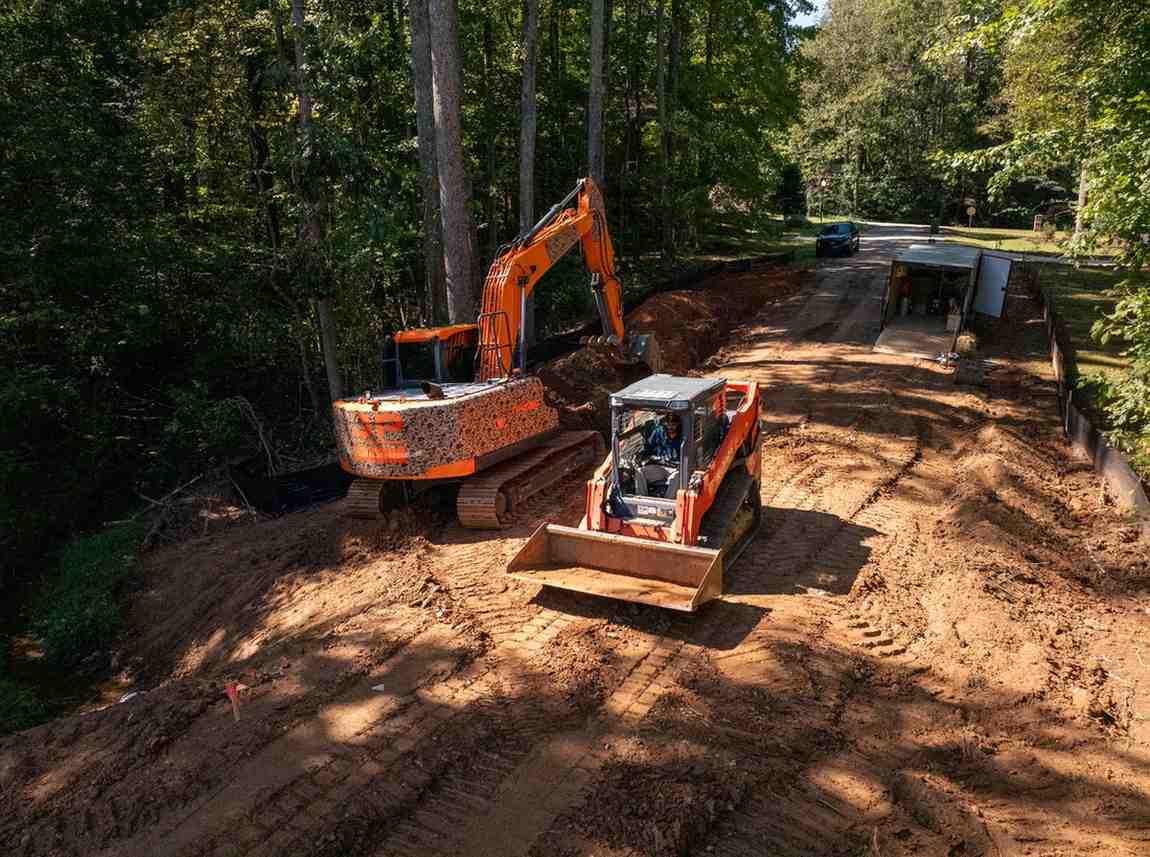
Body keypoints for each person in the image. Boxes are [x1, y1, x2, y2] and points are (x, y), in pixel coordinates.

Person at [633, 413, 682, 498]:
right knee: (640, 472)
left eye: (673, 425)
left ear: (678, 424)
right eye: (668, 424)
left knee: (676, 477)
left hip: (675, 469)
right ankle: (642, 499)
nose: (670, 427)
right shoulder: (658, 432)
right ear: (665, 423)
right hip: (659, 467)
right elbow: (648, 448)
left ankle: (667, 504)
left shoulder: (683, 436)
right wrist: (640, 456)